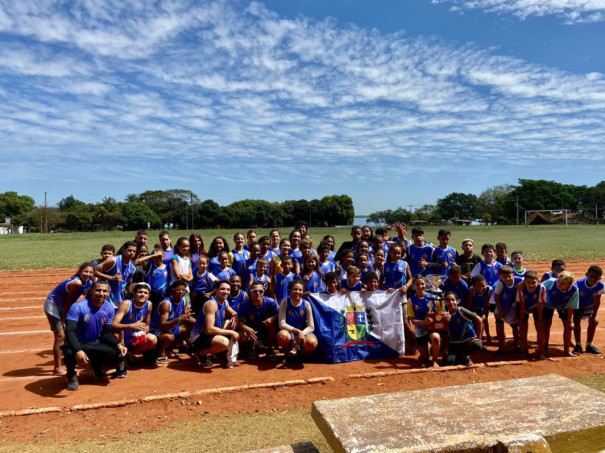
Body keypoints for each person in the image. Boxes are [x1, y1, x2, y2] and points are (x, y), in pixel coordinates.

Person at [62, 280, 127, 391]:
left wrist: (118, 345)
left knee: (118, 354)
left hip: (96, 343)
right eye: (98, 290)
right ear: (91, 290)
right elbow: (70, 331)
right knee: (68, 352)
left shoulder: (109, 308)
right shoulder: (78, 307)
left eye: (104, 291)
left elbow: (106, 333)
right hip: (79, 343)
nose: (101, 293)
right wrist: (78, 350)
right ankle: (71, 374)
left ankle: (97, 366)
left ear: (108, 292)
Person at [44, 262, 95, 375]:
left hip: (64, 306)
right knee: (60, 335)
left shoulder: (89, 282)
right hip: (53, 305)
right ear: (80, 271)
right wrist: (63, 319)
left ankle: (72, 359)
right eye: (85, 271)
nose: (88, 274)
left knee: (70, 333)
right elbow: (69, 301)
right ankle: (57, 368)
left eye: (91, 272)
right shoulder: (76, 282)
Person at [190, 280, 239, 368]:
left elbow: (233, 313)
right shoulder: (212, 304)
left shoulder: (225, 301)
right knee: (224, 342)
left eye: (228, 290)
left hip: (210, 333)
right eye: (222, 289)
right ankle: (201, 353)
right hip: (199, 336)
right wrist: (231, 332)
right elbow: (209, 330)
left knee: (231, 322)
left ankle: (218, 352)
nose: (226, 292)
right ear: (216, 290)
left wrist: (235, 316)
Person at [112, 282, 158, 367]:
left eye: (145, 293)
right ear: (134, 293)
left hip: (136, 336)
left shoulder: (149, 304)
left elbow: (147, 325)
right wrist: (131, 326)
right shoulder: (126, 304)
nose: (142, 295)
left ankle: (129, 353)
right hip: (123, 336)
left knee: (153, 339)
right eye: (140, 292)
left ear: (148, 295)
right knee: (116, 335)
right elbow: (114, 324)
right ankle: (122, 356)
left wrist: (143, 333)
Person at [150, 281, 195, 364]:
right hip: (157, 330)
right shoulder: (166, 304)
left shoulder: (185, 298)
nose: (181, 292)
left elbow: (188, 304)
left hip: (172, 327)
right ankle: (159, 351)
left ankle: (169, 349)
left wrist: (200, 324)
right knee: (169, 337)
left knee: (191, 329)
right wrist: (179, 319)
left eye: (183, 290)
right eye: (178, 289)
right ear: (172, 290)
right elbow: (162, 326)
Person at [277, 281, 317, 365]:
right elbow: (282, 324)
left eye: (300, 290)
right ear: (290, 291)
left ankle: (302, 354)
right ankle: (287, 355)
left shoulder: (306, 304)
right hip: (290, 332)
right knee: (282, 336)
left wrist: (300, 334)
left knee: (312, 343)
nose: (297, 292)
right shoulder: (285, 302)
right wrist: (297, 332)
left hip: (304, 332)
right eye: (295, 289)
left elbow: (311, 326)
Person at [540, 271, 578, 357]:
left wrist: (569, 320)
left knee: (568, 327)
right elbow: (538, 288)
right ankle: (545, 347)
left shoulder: (574, 291)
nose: (559, 284)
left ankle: (566, 351)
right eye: (559, 281)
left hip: (562, 306)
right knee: (546, 325)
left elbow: (571, 307)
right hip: (547, 305)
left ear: (569, 284)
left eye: (563, 283)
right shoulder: (551, 281)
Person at [238, 282, 279, 359]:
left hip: (266, 327)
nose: (258, 293)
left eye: (260, 291)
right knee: (241, 333)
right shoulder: (244, 305)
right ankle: (250, 349)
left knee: (273, 325)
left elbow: (278, 315)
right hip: (252, 329)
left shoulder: (271, 302)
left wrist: (272, 318)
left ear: (264, 291)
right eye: (255, 291)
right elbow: (240, 321)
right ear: (250, 292)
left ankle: (269, 349)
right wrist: (246, 328)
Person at [407, 276, 441, 367]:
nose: (420, 286)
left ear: (425, 285)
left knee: (436, 338)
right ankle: (426, 352)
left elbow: (440, 315)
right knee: (424, 358)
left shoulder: (433, 298)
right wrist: (425, 322)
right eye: (417, 284)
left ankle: (434, 360)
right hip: (420, 330)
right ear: (414, 286)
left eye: (422, 284)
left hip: (432, 328)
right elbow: (413, 321)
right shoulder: (410, 301)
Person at [443, 292, 483, 366]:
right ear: (445, 303)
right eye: (448, 300)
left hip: (467, 342)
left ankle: (464, 354)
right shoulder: (445, 315)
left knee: (478, 345)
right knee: (449, 362)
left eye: (453, 300)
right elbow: (446, 333)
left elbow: (479, 320)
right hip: (454, 343)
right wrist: (446, 347)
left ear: (457, 301)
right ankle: (458, 356)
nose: (451, 302)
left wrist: (478, 337)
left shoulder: (461, 311)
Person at [95, 241, 137, 309]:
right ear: (123, 250)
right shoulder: (113, 260)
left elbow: (127, 283)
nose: (132, 252)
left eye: (134, 251)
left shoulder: (132, 268)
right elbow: (94, 271)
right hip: (104, 298)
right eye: (129, 250)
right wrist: (110, 277)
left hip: (118, 300)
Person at [573, 266, 604, 355]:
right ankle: (578, 345)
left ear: (600, 278)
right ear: (586, 275)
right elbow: (574, 298)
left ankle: (589, 345)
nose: (593, 279)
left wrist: (594, 316)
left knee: (594, 321)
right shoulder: (578, 283)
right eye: (591, 276)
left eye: (596, 278)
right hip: (578, 305)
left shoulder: (600, 286)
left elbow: (597, 301)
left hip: (589, 306)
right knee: (576, 320)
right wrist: (577, 309)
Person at [493, 266, 523, 356]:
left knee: (515, 327)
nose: (507, 279)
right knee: (499, 326)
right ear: (500, 277)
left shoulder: (518, 280)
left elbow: (529, 279)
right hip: (502, 307)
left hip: (513, 307)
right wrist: (500, 311)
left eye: (509, 276)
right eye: (504, 277)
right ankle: (501, 347)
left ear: (513, 275)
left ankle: (516, 345)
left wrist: (522, 284)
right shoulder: (499, 283)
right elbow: (496, 298)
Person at [517, 270, 546, 358]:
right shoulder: (521, 288)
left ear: (538, 281)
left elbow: (540, 305)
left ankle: (541, 351)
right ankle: (525, 350)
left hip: (537, 308)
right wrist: (522, 320)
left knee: (540, 328)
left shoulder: (542, 288)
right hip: (524, 307)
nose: (531, 285)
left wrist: (540, 320)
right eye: (528, 282)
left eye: (534, 282)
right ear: (524, 282)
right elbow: (522, 304)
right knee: (523, 327)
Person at [467, 275, 493, 345]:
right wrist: (471, 315)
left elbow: (486, 303)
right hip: (473, 309)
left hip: (483, 308)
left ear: (486, 283)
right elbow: (469, 304)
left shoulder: (489, 289)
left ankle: (487, 336)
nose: (481, 288)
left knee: (484, 320)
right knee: (477, 323)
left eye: (483, 285)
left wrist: (483, 312)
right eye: (478, 286)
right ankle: (477, 339)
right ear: (474, 285)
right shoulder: (471, 290)